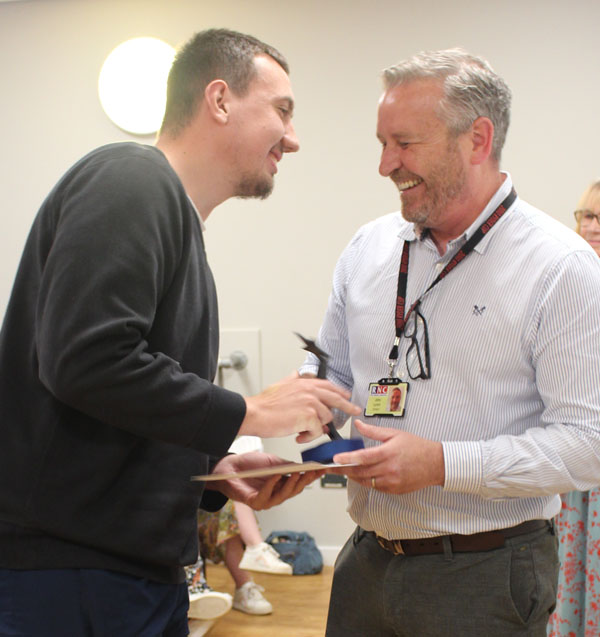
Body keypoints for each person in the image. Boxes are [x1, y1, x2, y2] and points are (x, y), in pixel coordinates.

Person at [0, 28, 360, 637]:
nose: (292, 139)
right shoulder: (132, 177)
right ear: (219, 100)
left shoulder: (181, 229)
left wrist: (217, 468)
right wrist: (246, 411)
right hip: (71, 576)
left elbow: (127, 401)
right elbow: (86, 360)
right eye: (282, 110)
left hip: (129, 574)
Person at [300, 49, 600, 636]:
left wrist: (441, 464)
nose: (385, 164)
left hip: (484, 573)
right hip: (365, 562)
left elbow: (587, 445)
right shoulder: (368, 247)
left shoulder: (561, 268)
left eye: (404, 143)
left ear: (477, 139)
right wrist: (312, 422)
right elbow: (327, 361)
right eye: (382, 142)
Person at [548, 180, 600, 637]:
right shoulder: (566, 277)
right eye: (586, 215)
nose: (591, 226)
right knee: (568, 560)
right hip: (570, 449)